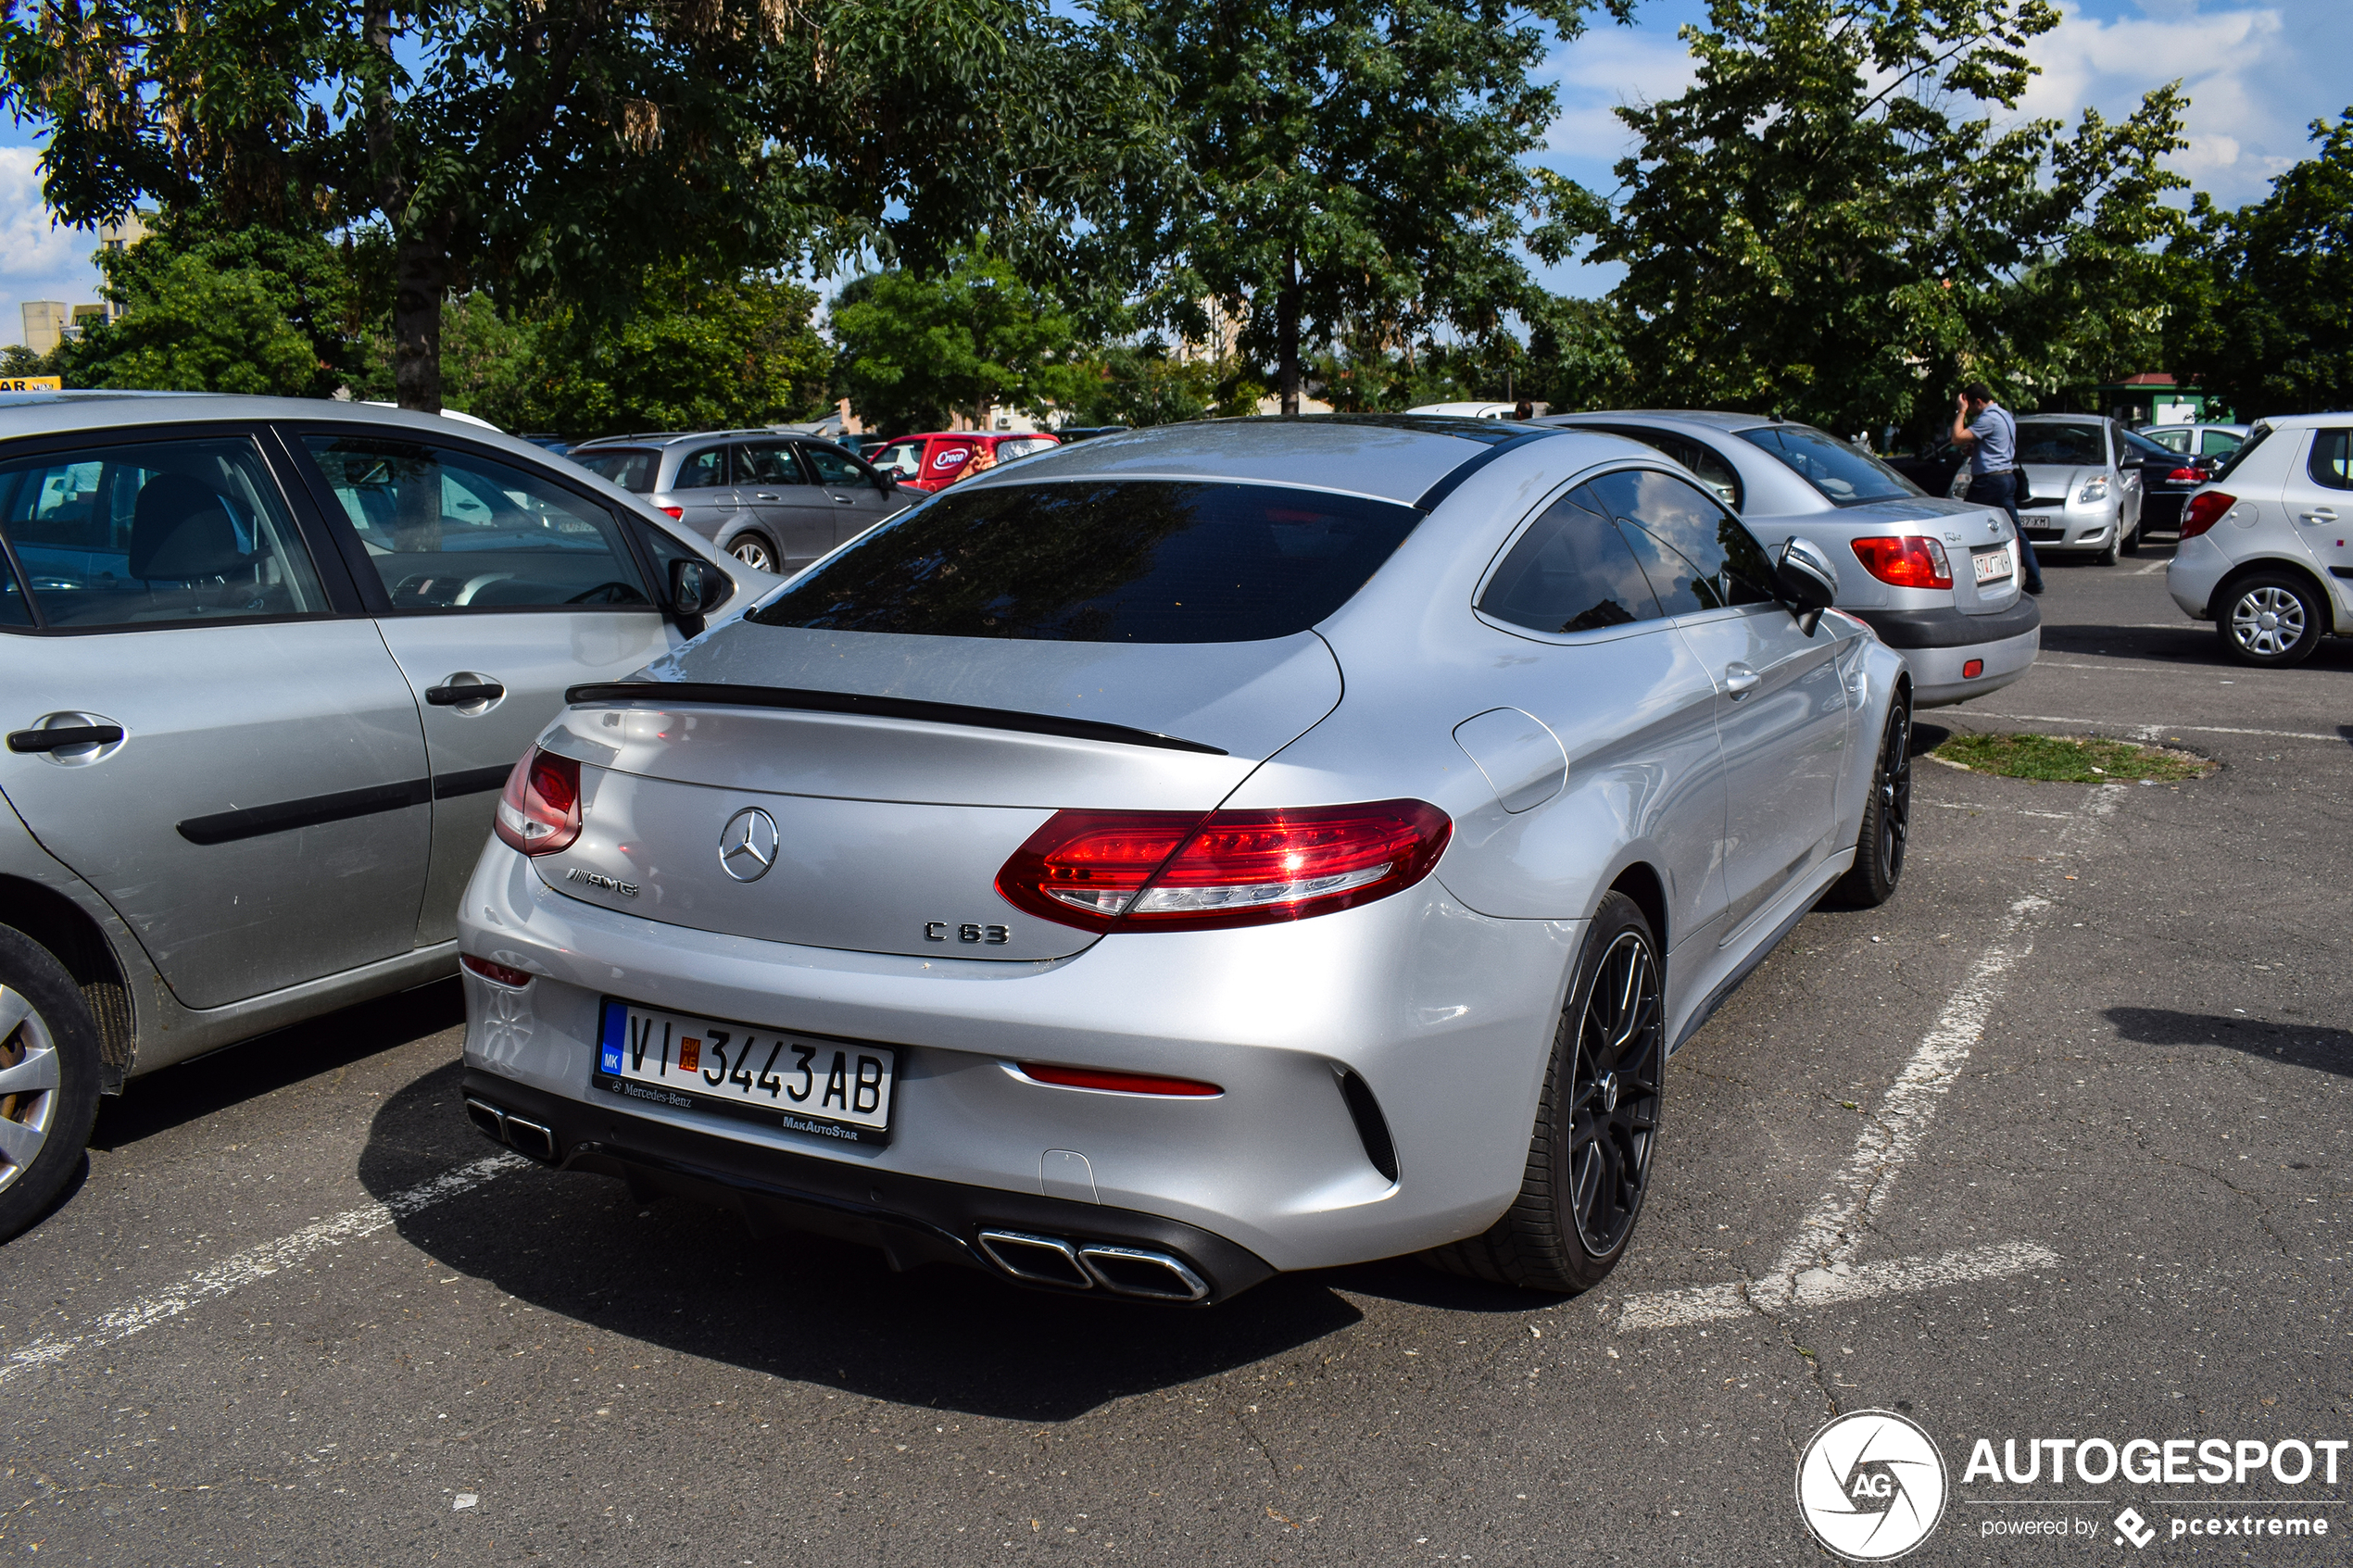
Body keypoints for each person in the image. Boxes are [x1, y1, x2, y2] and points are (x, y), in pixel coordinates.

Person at [1950, 382, 2043, 596]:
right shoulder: (2004, 415)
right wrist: (1977, 449)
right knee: (2016, 531)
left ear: (1978, 402)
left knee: (1966, 524)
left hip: (1989, 482)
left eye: (1971, 406)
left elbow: (1956, 437)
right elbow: (1997, 444)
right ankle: (2035, 578)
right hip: (2006, 478)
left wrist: (1960, 411)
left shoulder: (1988, 418)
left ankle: (1963, 577)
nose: (1970, 411)